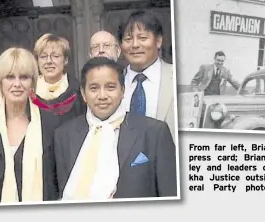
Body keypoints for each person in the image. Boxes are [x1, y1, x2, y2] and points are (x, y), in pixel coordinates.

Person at [55, 57, 176, 200]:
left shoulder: (154, 133)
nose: (102, 96)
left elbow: (170, 196)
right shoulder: (64, 135)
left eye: (110, 87)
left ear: (122, 90)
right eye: (94, 88)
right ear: (83, 93)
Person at [0, 47, 60, 203]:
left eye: (23, 77)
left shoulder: (51, 124)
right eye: (10, 77)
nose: (17, 84)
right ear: (0, 81)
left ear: (33, 82)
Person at [117, 9, 176, 142]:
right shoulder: (114, 83)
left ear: (158, 41)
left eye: (143, 38)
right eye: (128, 39)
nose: (135, 45)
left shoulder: (178, 78)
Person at [30, 33, 86, 123]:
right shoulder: (29, 92)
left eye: (55, 56)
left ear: (65, 60)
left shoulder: (78, 92)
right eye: (43, 57)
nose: (48, 61)